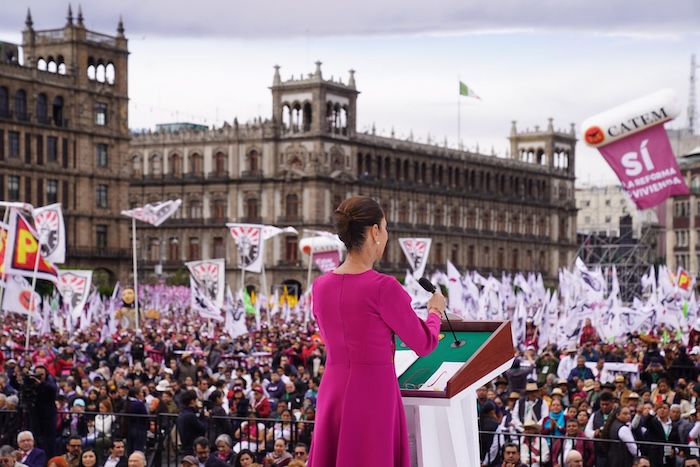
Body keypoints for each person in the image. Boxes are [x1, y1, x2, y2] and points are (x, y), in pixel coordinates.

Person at [307, 196, 444, 467]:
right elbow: (425, 343)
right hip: (372, 393)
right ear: (374, 232)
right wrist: (435, 311)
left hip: (333, 389)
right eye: (386, 227)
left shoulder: (320, 286)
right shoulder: (383, 287)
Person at [176, 390, 207, 456]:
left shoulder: (181, 413)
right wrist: (204, 417)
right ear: (192, 401)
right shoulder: (190, 415)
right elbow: (202, 428)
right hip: (191, 448)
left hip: (185, 446)